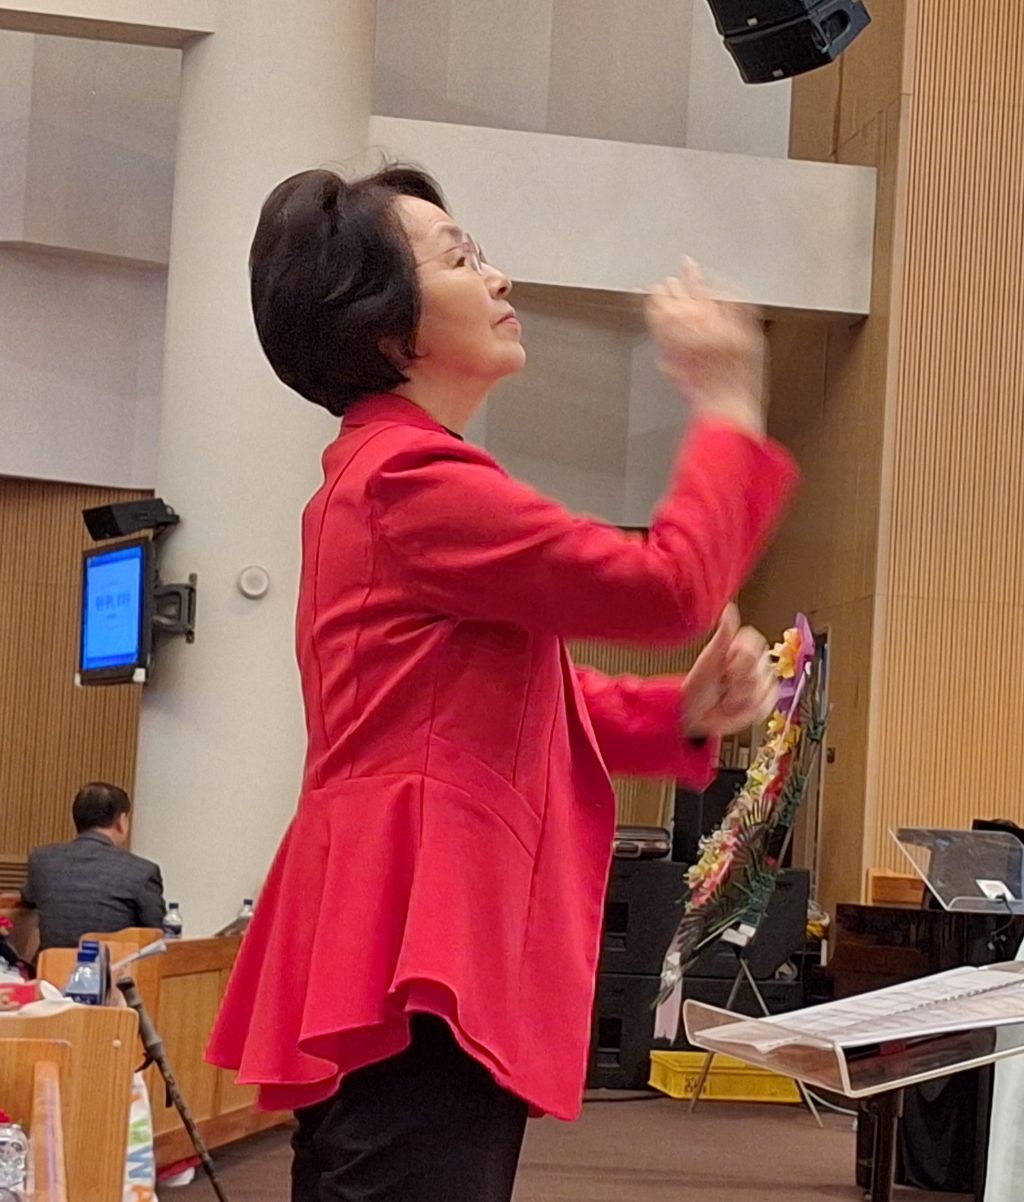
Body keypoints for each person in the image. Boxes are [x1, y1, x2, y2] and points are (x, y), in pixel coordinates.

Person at [206, 164, 799, 1202]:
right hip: (422, 930)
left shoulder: (382, 474)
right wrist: (727, 402)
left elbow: (492, 705)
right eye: (460, 257)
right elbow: (670, 588)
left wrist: (678, 710)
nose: (498, 275)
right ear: (392, 333)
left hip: (386, 925)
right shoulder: (410, 478)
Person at [20, 782, 166, 951]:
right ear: (121, 821)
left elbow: (28, 898)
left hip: (51, 966)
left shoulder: (42, 860)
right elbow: (157, 934)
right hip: (114, 966)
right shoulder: (142, 871)